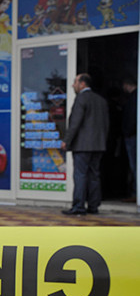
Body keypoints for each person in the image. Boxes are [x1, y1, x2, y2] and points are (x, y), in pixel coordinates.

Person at [61, 73, 109, 215]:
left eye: (75, 82)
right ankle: (93, 206)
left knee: (80, 175)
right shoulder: (101, 100)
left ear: (82, 84)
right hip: (98, 145)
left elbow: (75, 123)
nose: (73, 85)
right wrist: (102, 141)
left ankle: (78, 206)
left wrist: (66, 140)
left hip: (82, 145)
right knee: (94, 175)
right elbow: (106, 124)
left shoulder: (81, 98)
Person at [121, 78, 137, 201]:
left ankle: (136, 193)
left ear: (127, 84)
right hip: (133, 135)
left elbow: (132, 117)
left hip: (132, 136)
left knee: (135, 165)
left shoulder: (134, 98)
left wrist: (127, 132)